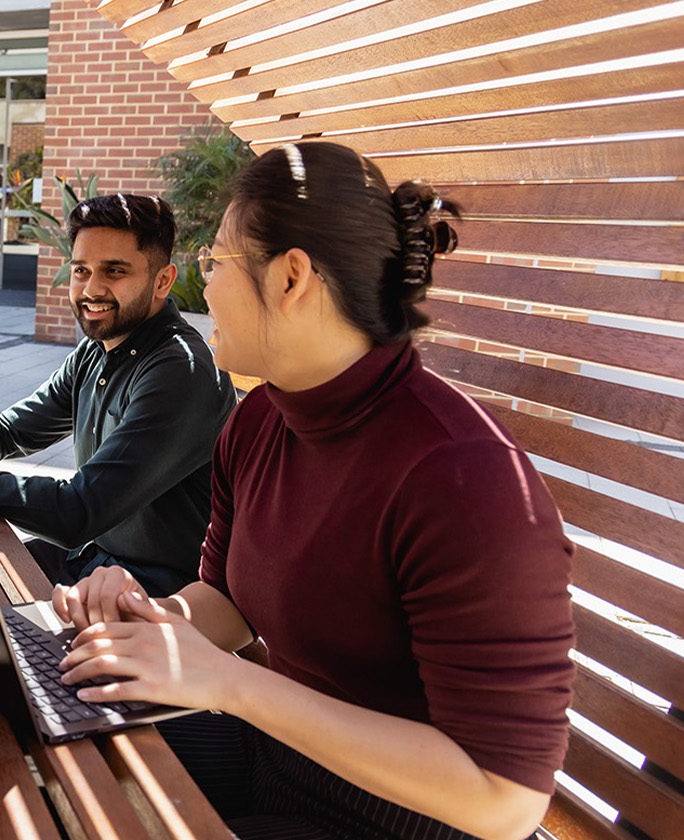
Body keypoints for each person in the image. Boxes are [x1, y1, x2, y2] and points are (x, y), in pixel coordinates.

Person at [53, 142, 574, 839]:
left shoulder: (462, 477)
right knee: (46, 735)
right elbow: (229, 603)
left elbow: (503, 799)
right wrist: (144, 616)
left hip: (404, 824)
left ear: (291, 276)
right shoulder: (263, 418)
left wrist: (228, 682)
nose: (202, 291)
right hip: (278, 762)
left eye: (217, 264)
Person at [0, 193, 236, 596]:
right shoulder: (98, 350)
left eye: (114, 271)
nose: (91, 289)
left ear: (162, 280)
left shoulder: (179, 372)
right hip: (92, 558)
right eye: (82, 270)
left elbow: (77, 511)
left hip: (155, 591)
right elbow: (12, 431)